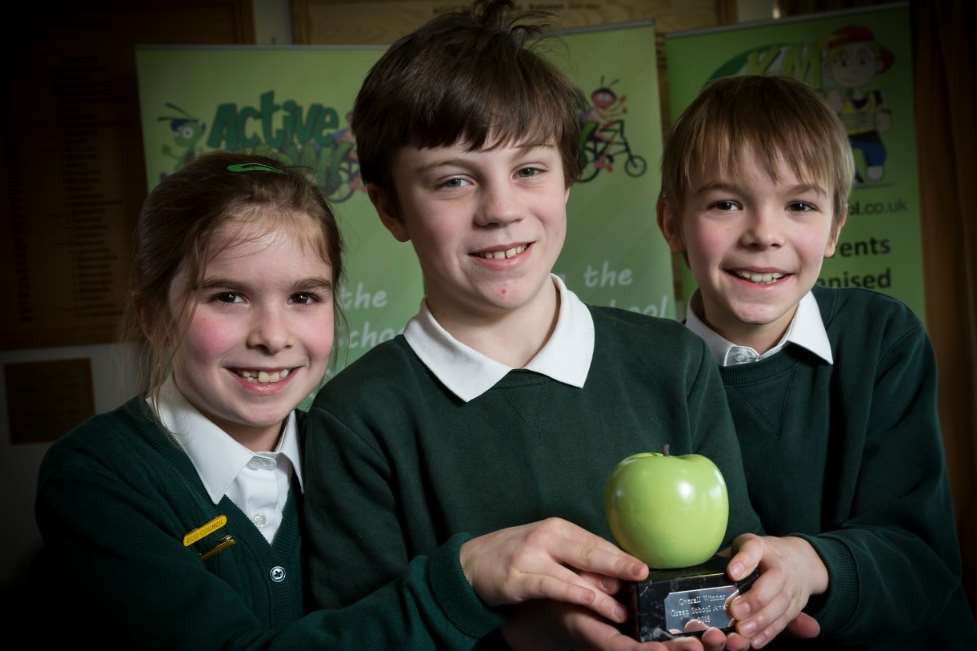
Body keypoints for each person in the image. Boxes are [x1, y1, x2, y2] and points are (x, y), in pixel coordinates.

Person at [301, 3, 805, 649]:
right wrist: (519, 637)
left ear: (568, 176)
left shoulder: (672, 361)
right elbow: (359, 632)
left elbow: (728, 566)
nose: (501, 210)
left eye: (529, 169)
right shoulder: (358, 415)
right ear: (390, 208)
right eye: (453, 181)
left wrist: (748, 614)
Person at [33, 151, 661, 650]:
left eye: (305, 297)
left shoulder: (352, 447)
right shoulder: (97, 476)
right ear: (153, 313)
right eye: (227, 296)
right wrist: (461, 581)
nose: (273, 336)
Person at [657, 75, 977, 649]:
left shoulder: (882, 338)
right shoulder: (643, 373)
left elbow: (921, 557)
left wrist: (808, 565)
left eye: (799, 205)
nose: (764, 234)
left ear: (834, 230)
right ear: (672, 222)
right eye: (726, 203)